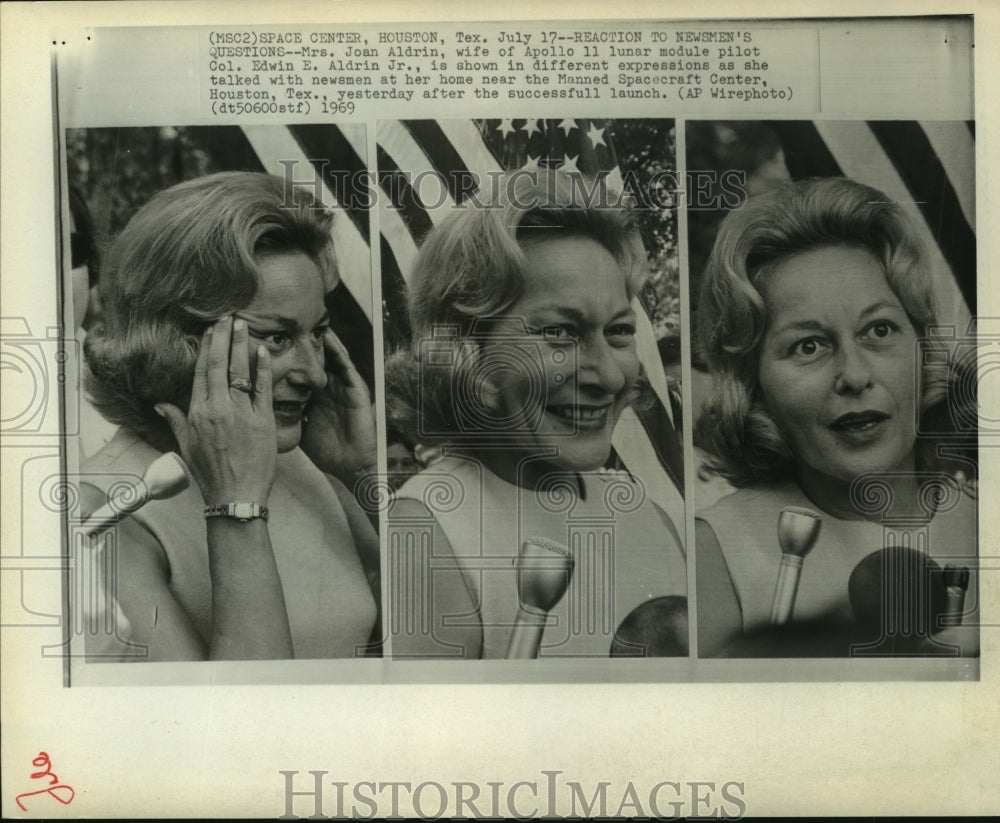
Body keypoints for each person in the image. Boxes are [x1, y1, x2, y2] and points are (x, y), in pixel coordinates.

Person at [385, 170, 687, 659]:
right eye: (559, 333)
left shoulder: (645, 513)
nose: (608, 375)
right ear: (465, 348)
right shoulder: (430, 529)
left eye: (618, 332)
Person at [79, 171, 380, 661]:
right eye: (278, 338)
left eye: (317, 334)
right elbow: (235, 722)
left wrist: (361, 475)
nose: (316, 376)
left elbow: (432, 653)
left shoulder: (303, 469)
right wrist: (237, 505)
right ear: (176, 340)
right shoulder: (101, 512)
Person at [694, 177, 978, 657]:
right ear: (752, 379)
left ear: (923, 347)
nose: (853, 374)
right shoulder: (714, 554)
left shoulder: (983, 521)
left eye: (879, 329)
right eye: (809, 345)